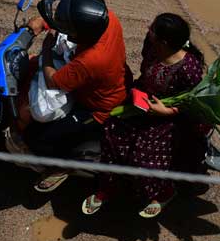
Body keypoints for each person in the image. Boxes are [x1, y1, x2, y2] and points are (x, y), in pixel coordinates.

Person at [81, 13, 208, 219]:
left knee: (143, 155)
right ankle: (108, 186)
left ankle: (164, 191)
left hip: (168, 117)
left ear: (164, 42)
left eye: (152, 30)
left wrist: (165, 111)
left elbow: (194, 103)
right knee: (110, 131)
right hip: (141, 101)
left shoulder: (189, 68)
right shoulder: (151, 46)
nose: (148, 31)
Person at [8, 0, 129, 194]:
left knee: (38, 139)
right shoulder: (108, 18)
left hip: (97, 109)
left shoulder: (92, 59)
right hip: (113, 79)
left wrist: (46, 49)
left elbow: (53, 80)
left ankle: (61, 166)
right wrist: (47, 23)